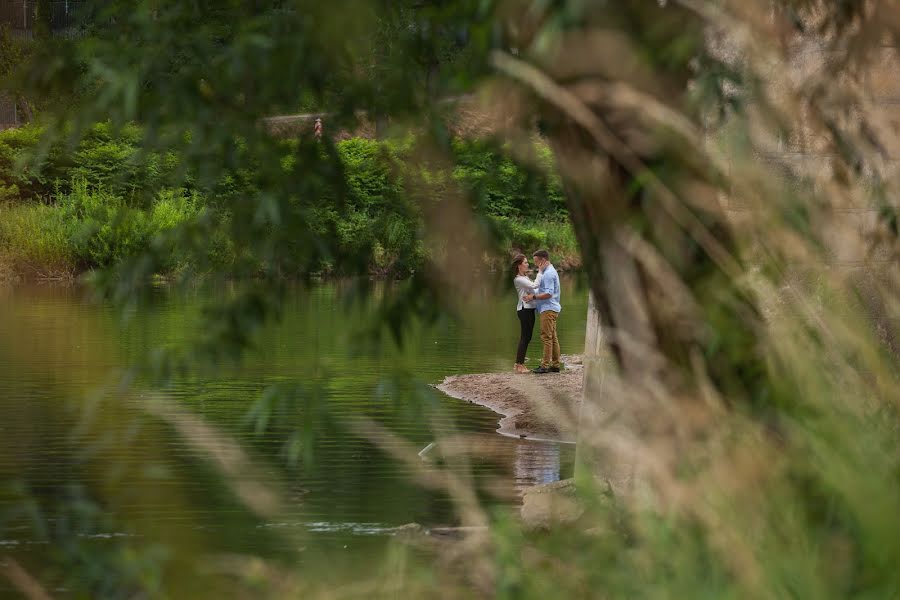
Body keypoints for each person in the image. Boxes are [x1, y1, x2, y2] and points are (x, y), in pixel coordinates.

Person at [524, 249, 561, 374]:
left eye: (536, 261)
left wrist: (533, 297)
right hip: (551, 308)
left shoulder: (549, 273)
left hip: (548, 309)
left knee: (546, 337)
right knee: (553, 338)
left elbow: (549, 294)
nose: (535, 264)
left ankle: (544, 366)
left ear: (543, 260)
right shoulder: (547, 272)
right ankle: (555, 365)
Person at [512, 254, 542, 374]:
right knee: (525, 337)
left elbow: (533, 289)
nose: (527, 264)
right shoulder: (518, 279)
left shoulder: (524, 277)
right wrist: (540, 271)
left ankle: (518, 363)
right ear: (519, 266)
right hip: (524, 310)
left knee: (527, 337)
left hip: (529, 309)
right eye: (525, 262)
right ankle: (519, 365)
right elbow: (534, 285)